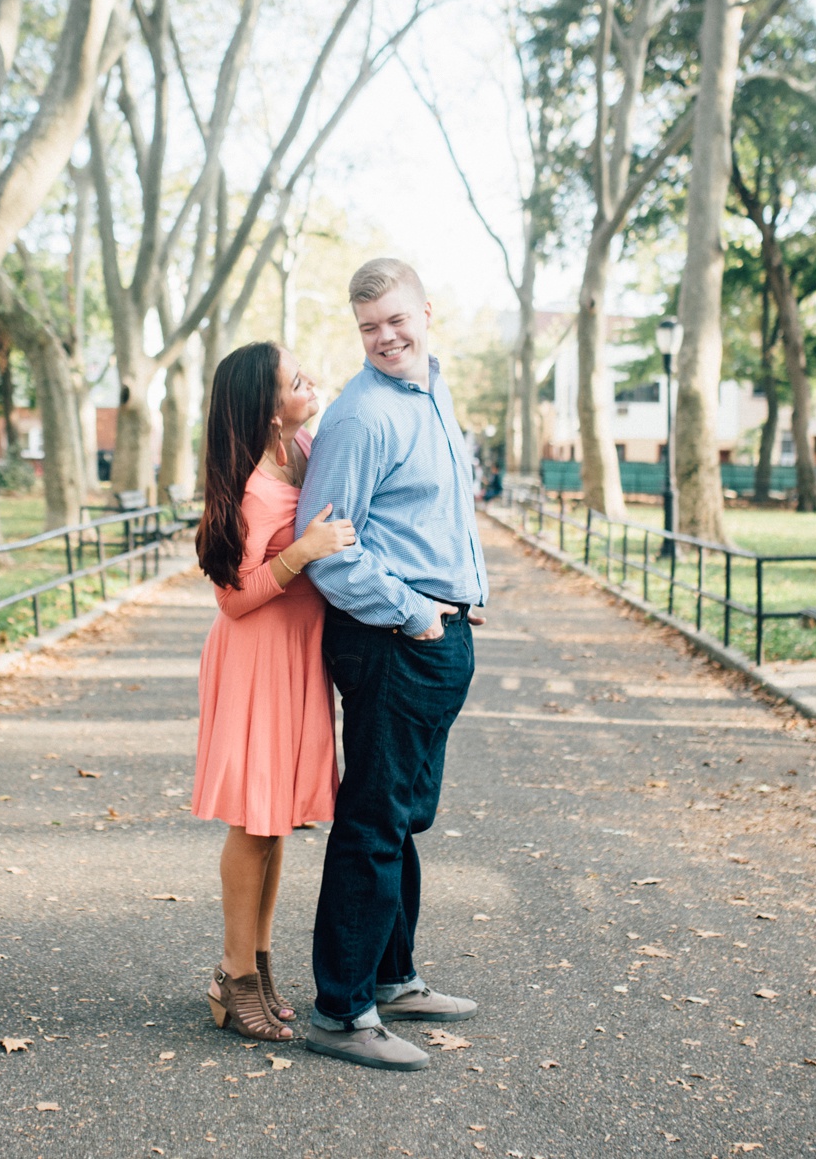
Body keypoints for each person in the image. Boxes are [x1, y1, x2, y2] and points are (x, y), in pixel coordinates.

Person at [296, 257, 488, 1072]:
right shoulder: (361, 415)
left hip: (437, 632)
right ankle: (343, 1009)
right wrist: (416, 613)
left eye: (396, 320)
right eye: (370, 326)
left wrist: (463, 594)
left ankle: (393, 974)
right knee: (374, 819)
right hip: (391, 640)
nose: (385, 338)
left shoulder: (431, 390)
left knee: (403, 816)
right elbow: (329, 550)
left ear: (425, 311)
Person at [191, 342, 355, 1042]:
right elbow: (234, 599)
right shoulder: (253, 490)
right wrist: (303, 552)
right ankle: (233, 976)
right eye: (295, 379)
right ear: (266, 408)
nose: (309, 380)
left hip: (295, 656)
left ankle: (258, 962)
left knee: (278, 818)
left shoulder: (304, 448)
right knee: (253, 821)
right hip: (257, 658)